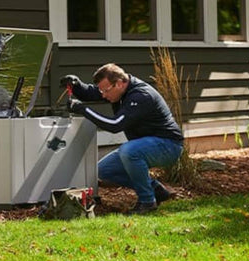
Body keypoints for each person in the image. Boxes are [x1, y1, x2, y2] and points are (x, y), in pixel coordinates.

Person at [60, 63, 184, 215]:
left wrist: (82, 109)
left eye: (105, 91)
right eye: (102, 91)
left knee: (129, 151)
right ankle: (156, 190)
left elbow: (115, 125)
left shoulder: (140, 96)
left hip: (168, 145)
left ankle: (147, 201)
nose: (103, 95)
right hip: (145, 145)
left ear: (119, 83)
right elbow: (93, 93)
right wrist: (76, 85)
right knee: (103, 170)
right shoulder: (118, 89)